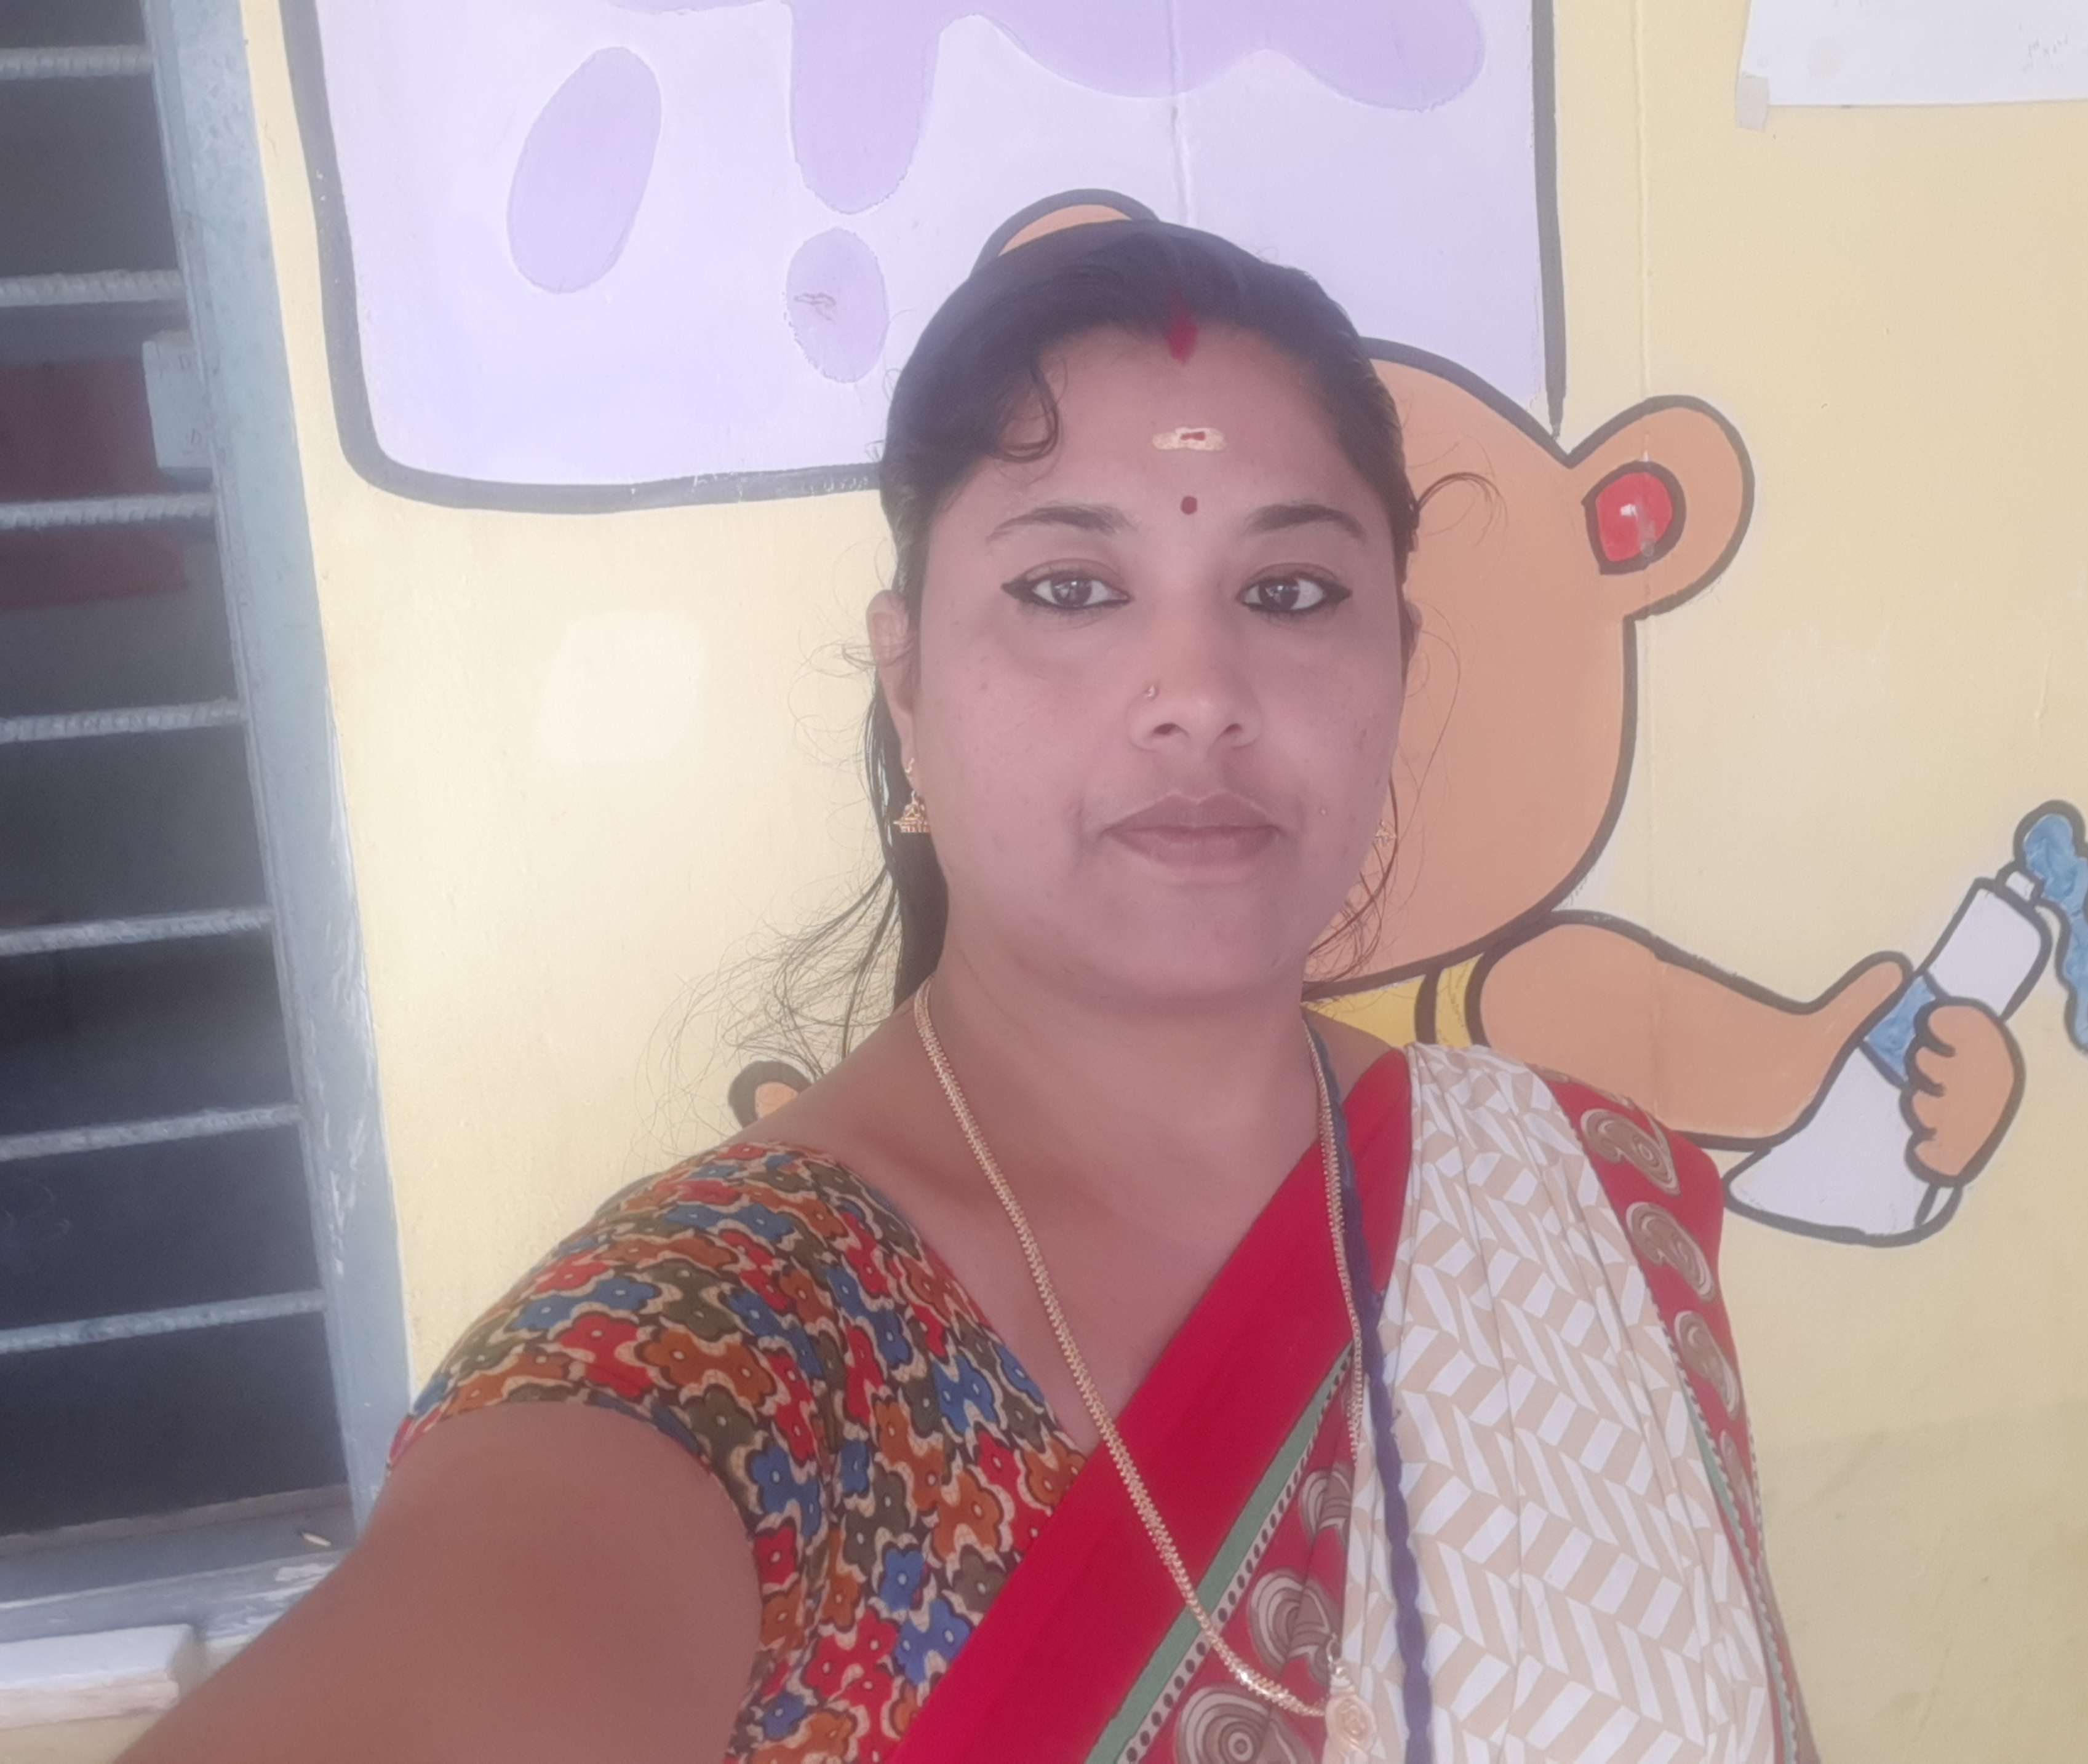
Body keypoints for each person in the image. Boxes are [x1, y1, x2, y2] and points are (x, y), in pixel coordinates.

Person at [129, 221, 1811, 1764]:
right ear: (909, 684)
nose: (1196, 691)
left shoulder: (1584, 1200)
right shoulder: (732, 1349)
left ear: (1396, 666)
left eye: (1290, 592)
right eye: (1070, 590)